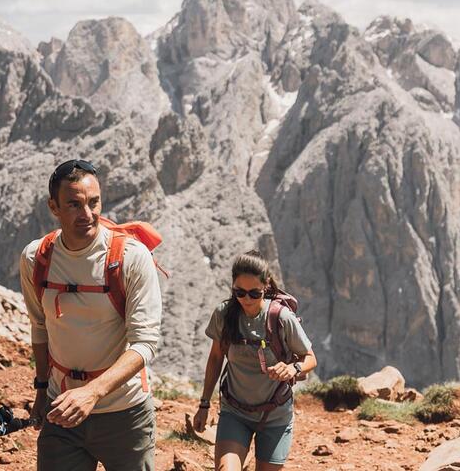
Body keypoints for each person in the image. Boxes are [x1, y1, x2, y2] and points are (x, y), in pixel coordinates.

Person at [19, 158, 162, 471]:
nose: (88, 214)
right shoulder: (36, 258)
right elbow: (40, 326)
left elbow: (146, 343)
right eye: (74, 204)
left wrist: (91, 393)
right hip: (63, 410)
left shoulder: (131, 257)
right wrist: (42, 390)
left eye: (94, 202)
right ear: (53, 207)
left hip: (125, 413)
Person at [194, 251, 317, 470]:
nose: (246, 300)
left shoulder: (280, 318)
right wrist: (204, 403)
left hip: (275, 416)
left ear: (266, 287)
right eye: (239, 292)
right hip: (235, 412)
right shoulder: (224, 315)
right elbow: (215, 358)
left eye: (254, 293)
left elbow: (310, 358)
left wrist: (292, 368)